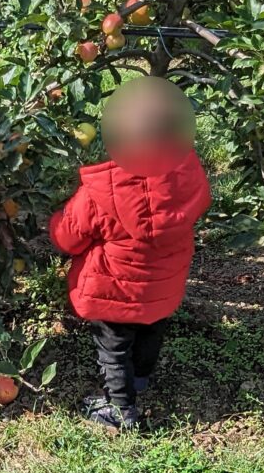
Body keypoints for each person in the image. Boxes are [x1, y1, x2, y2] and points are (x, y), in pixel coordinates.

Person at [49, 76, 211, 431]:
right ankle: (140, 380)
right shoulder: (187, 177)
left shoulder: (103, 191)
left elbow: (68, 237)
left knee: (114, 349)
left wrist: (56, 220)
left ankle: (120, 410)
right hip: (162, 285)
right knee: (151, 329)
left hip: (115, 289)